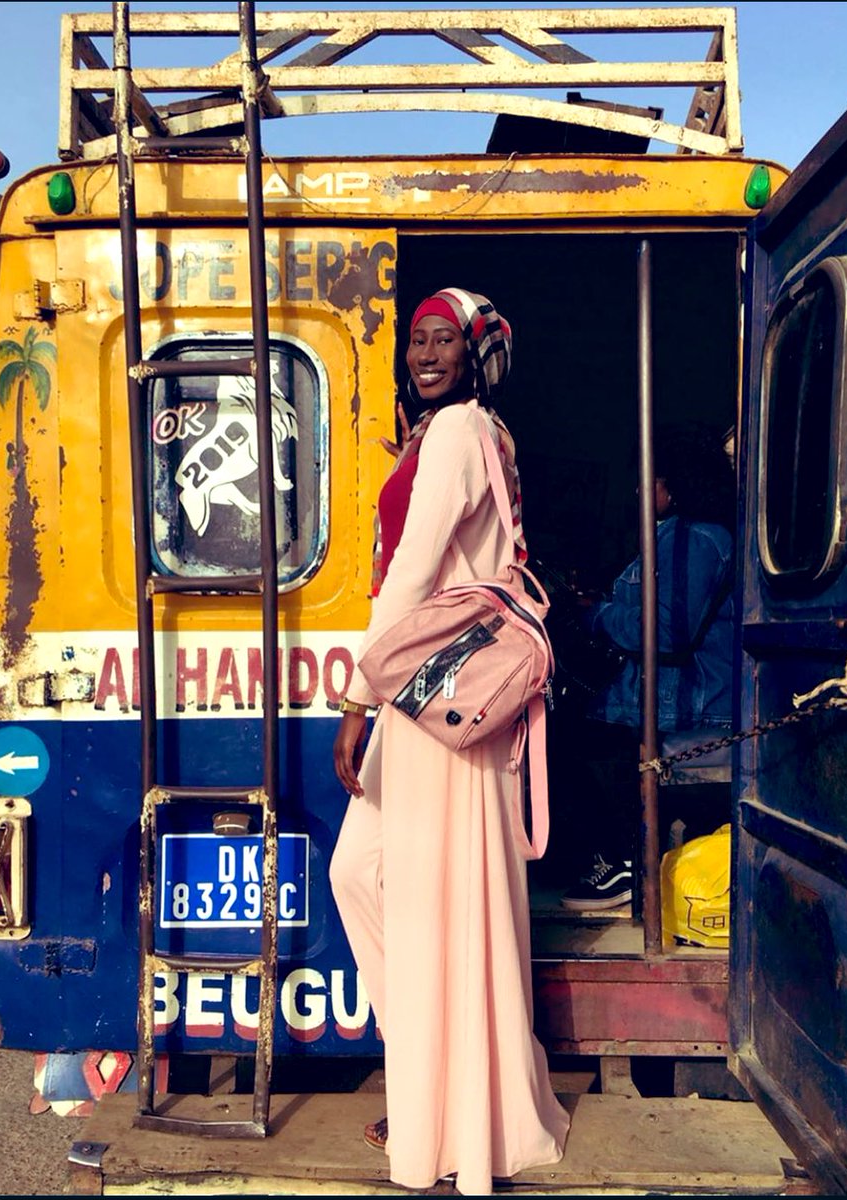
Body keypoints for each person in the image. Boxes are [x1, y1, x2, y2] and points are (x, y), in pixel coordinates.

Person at [329, 288, 569, 1195]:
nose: (424, 353)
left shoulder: (462, 432)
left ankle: (445, 1111)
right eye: (416, 341)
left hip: (428, 705)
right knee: (362, 875)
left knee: (424, 899)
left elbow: (412, 575)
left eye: (443, 340)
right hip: (435, 704)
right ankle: (430, 1078)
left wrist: (357, 697)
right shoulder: (467, 435)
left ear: (476, 353)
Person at [561, 426, 736, 911]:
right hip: (669, 701)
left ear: (673, 484)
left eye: (647, 480)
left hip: (691, 710)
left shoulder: (694, 540)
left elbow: (669, 631)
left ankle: (618, 863)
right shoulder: (677, 537)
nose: (639, 491)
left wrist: (596, 616)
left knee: (571, 746)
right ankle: (619, 860)